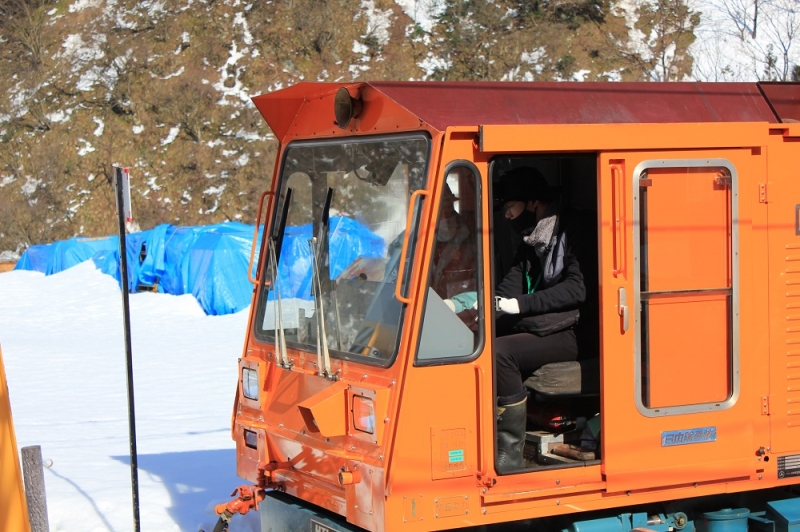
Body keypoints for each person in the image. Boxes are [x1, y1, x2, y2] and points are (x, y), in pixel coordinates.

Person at [493, 167, 597, 474]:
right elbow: (508, 288)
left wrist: (520, 304)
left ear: (533, 201)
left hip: (579, 330)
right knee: (484, 338)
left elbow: (578, 288)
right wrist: (482, 310)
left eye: (510, 208)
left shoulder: (576, 227)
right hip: (550, 323)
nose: (507, 217)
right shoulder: (531, 240)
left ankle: (509, 455)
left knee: (501, 352)